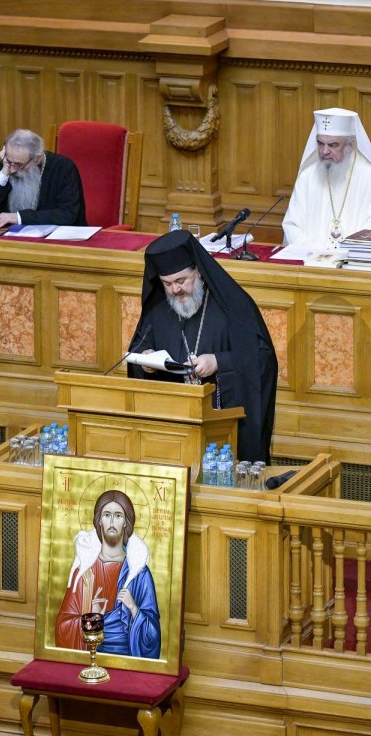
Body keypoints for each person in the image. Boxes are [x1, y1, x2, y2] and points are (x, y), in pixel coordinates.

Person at [127, 229, 278, 463]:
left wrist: (218, 362)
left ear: (198, 271)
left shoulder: (232, 306)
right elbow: (139, 347)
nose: (175, 290)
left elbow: (262, 358)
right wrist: (145, 359)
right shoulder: (158, 310)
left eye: (181, 281)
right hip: (170, 425)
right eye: (167, 283)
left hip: (221, 425)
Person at [55, 489, 160, 659]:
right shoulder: (84, 571)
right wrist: (92, 617)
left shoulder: (139, 574)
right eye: (107, 515)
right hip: (91, 656)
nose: (112, 521)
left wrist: (133, 608)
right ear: (99, 521)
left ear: (126, 522)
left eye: (118, 516)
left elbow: (153, 636)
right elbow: (63, 627)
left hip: (128, 660)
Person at [282, 107, 371, 250]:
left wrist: (340, 256)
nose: (324, 151)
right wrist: (318, 253)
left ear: (351, 145)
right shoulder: (307, 176)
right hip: (310, 262)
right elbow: (292, 226)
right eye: (320, 143)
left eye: (333, 145)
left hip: (355, 263)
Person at [0, 128, 86, 229]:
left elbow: (67, 214)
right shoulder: (7, 166)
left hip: (61, 244)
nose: (12, 170)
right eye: (8, 161)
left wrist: (18, 217)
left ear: (37, 159)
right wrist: (3, 174)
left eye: (18, 164)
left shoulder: (62, 167)